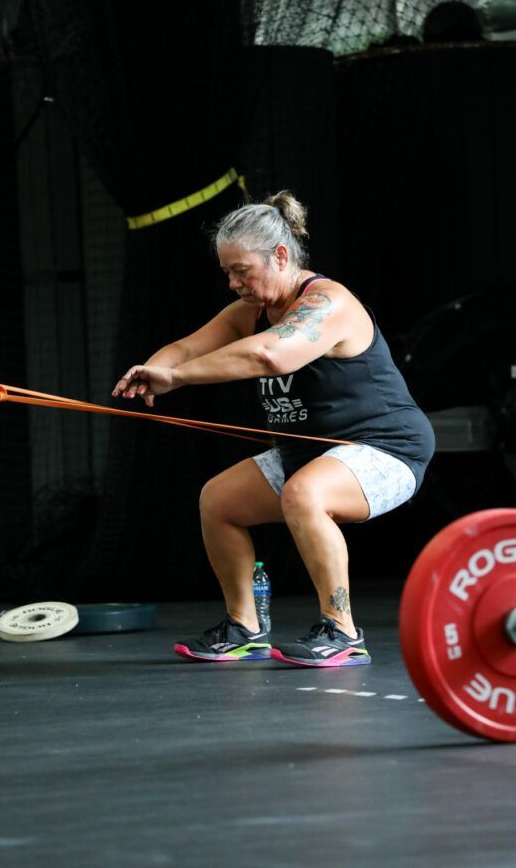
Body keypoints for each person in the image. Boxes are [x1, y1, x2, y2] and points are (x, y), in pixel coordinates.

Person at [112, 192, 435, 668]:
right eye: (227, 272)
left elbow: (271, 355)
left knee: (303, 494)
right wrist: (153, 369)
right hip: (310, 456)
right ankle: (244, 628)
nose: (232, 283)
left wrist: (177, 378)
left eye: (241, 270)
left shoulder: (328, 302)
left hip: (386, 449)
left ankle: (343, 632)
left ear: (280, 256)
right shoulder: (251, 312)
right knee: (219, 501)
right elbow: (185, 348)